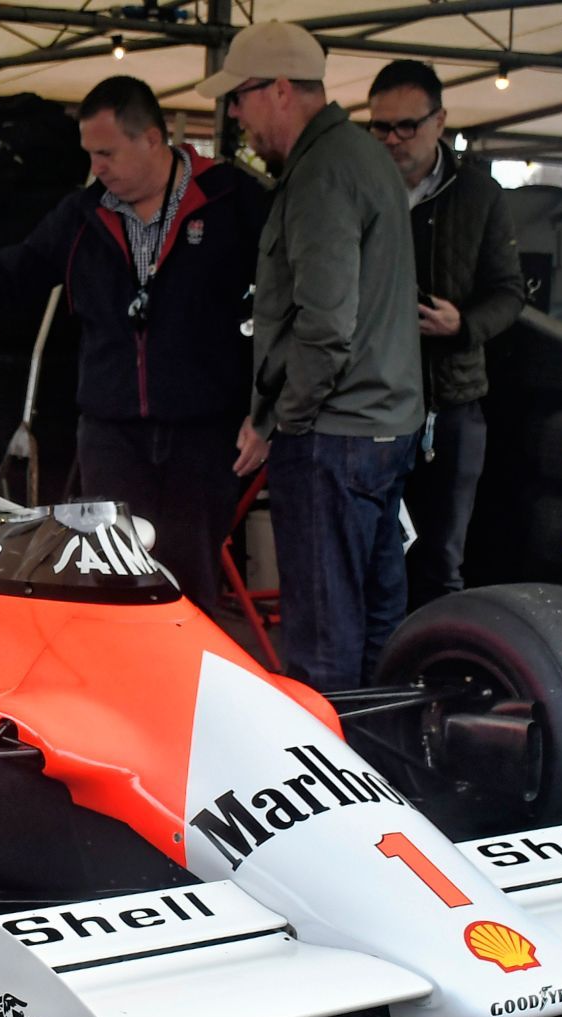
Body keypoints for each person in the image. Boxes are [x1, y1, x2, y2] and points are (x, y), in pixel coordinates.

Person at [0, 75, 266, 612]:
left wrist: (266, 406)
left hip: (204, 430)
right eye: (90, 154)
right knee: (111, 575)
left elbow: (287, 293)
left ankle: (188, 690)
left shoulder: (232, 199)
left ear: (152, 139)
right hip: (110, 428)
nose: (96, 167)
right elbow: (27, 263)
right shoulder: (85, 212)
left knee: (190, 580)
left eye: (106, 152)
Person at [202, 22, 424, 688]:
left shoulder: (322, 174)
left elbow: (326, 325)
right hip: (384, 425)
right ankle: (384, 764)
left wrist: (282, 420)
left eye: (238, 98)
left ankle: (335, 779)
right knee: (377, 622)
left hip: (334, 435)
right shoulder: (360, 156)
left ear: (277, 90)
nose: (235, 115)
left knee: (322, 643)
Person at [368, 59, 524, 609]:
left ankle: (435, 677)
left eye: (406, 126)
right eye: (381, 126)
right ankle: (380, 679)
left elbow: (510, 292)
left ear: (440, 121)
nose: (392, 139)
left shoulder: (479, 194)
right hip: (369, 401)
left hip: (449, 400)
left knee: (439, 557)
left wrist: (462, 324)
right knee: (373, 551)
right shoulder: (356, 185)